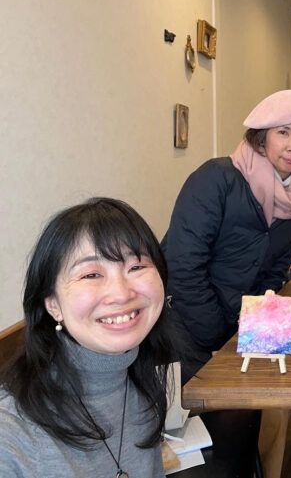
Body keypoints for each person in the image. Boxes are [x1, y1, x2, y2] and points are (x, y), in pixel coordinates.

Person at [162, 89, 291, 478]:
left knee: (245, 422)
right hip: (181, 331)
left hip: (236, 331)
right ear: (261, 137)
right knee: (208, 441)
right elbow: (182, 266)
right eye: (283, 132)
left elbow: (274, 269)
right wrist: (219, 334)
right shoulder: (216, 178)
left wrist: (245, 329)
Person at [0, 198, 176, 477]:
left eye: (136, 267)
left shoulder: (139, 380)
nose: (122, 294)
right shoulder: (11, 435)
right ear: (53, 305)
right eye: (92, 274)